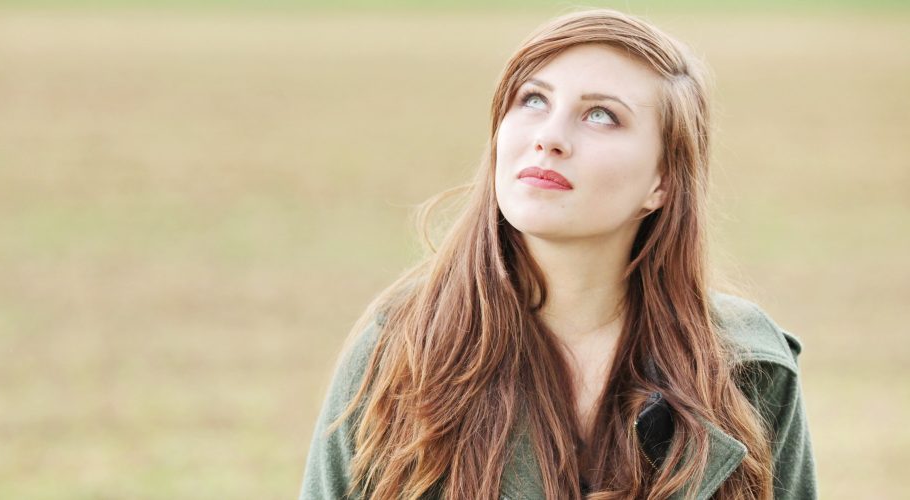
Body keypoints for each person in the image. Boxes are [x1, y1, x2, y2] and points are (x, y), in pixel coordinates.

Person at [299, 8, 816, 500]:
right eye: (533, 100)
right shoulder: (404, 351)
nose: (549, 138)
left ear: (661, 182)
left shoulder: (746, 367)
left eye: (600, 115)